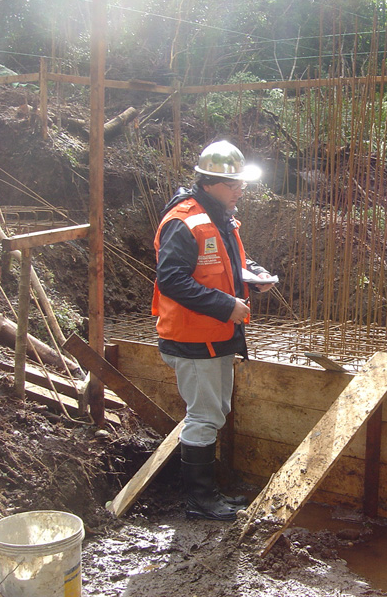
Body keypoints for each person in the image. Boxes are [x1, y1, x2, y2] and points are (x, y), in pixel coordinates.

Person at [152, 140, 275, 521]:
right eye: (234, 184)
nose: (241, 190)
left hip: (213, 336)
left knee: (214, 411)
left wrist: (252, 275)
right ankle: (200, 501)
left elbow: (228, 260)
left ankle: (207, 494)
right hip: (192, 338)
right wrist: (227, 305)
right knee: (204, 416)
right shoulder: (184, 221)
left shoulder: (219, 216)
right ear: (209, 183)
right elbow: (171, 280)